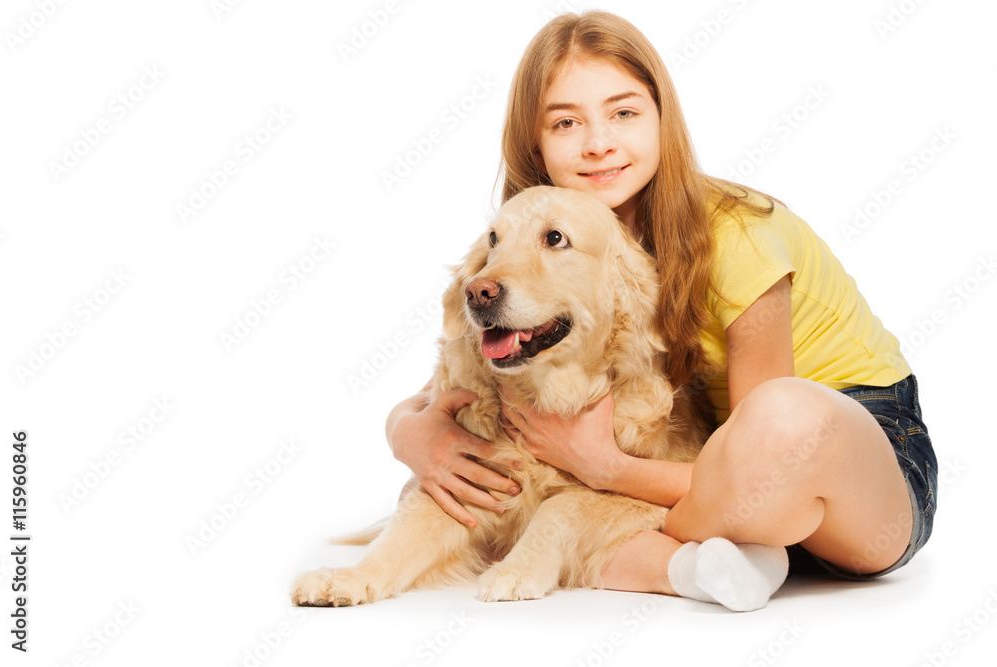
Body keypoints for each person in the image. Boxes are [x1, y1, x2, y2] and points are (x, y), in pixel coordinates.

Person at [385, 10, 937, 612]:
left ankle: (712, 533)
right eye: (567, 122)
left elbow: (761, 446)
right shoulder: (544, 239)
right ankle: (710, 564)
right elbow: (466, 370)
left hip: (855, 460)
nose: (598, 143)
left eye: (623, 113)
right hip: (710, 476)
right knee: (510, 487)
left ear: (662, 120)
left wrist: (601, 467)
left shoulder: (736, 237)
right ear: (535, 145)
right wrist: (408, 433)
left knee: (777, 419)